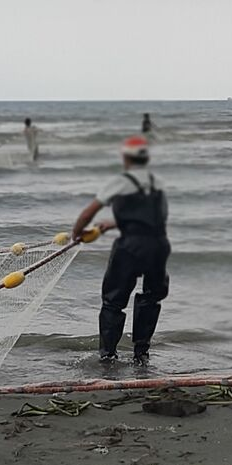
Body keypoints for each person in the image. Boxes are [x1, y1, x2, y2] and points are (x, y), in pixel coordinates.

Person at [72, 135, 169, 367]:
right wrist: (114, 224)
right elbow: (155, 218)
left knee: (113, 301)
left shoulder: (120, 181)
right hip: (157, 245)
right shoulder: (157, 182)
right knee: (150, 298)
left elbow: (88, 213)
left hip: (130, 247)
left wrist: (76, 233)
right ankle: (141, 354)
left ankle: (108, 355)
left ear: (126, 157)